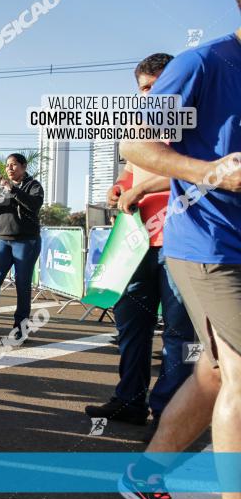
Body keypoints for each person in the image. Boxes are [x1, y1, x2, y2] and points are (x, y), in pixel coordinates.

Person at [118, 0, 241, 499]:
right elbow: (136, 147)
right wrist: (213, 171)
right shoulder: (203, 63)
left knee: (215, 372)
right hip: (210, 246)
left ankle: (146, 474)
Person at [85, 53, 195, 430]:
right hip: (135, 241)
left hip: (180, 240)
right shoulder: (139, 127)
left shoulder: (196, 123)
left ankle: (168, 413)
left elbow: (204, 172)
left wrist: (147, 186)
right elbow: (129, 174)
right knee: (131, 326)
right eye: (144, 88)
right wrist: (118, 189)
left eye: (158, 85)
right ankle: (129, 401)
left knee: (180, 333)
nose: (150, 94)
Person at [0, 153, 44, 341]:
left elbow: (33, 205)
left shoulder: (33, 186)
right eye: (7, 165)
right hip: (3, 241)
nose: (9, 168)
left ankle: (20, 330)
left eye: (14, 165)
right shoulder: (2, 188)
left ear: (24, 166)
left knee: (22, 285)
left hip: (26, 242)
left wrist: (12, 188)